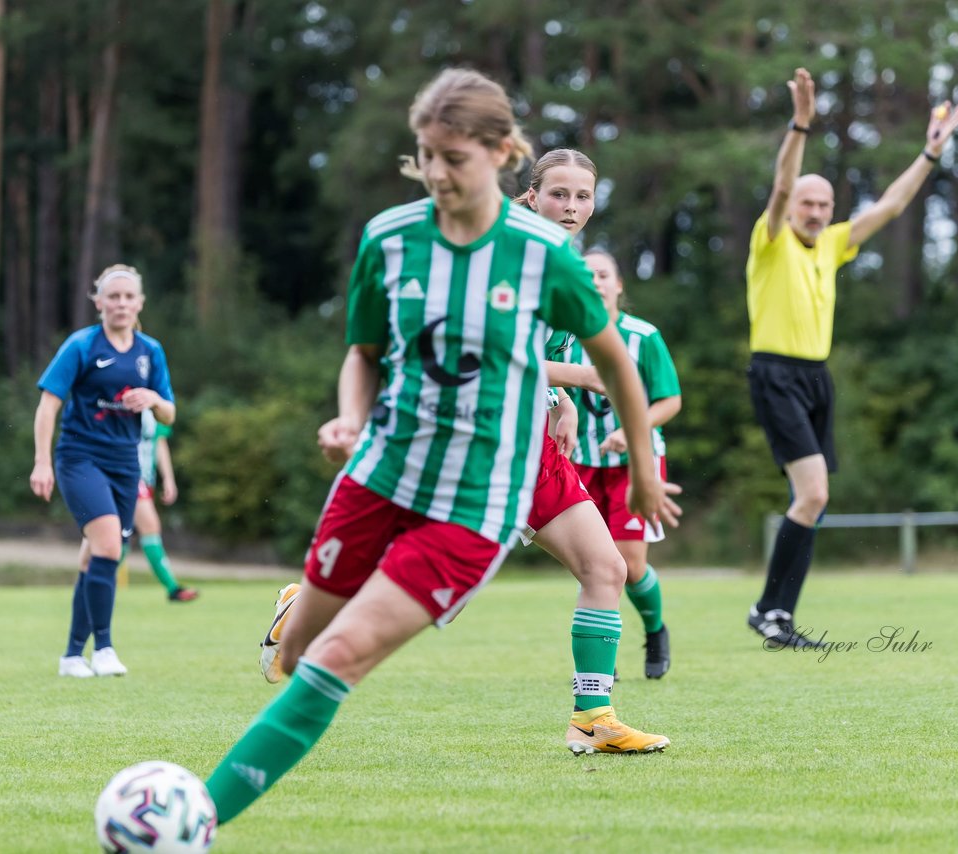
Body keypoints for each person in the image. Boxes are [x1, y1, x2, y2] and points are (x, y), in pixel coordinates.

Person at [202, 68, 678, 828]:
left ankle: (593, 715)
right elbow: (362, 350)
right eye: (426, 156)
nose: (437, 173)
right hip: (387, 466)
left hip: (489, 480)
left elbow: (611, 363)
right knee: (300, 655)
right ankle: (298, 612)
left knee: (602, 568)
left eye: (453, 158)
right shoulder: (390, 238)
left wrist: (639, 467)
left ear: (498, 152)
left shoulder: (545, 257)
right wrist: (350, 416)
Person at [744, 67, 958, 648]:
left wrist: (930, 153)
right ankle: (768, 609)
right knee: (814, 493)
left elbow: (891, 205)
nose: (815, 211)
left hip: (817, 378)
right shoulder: (770, 242)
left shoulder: (835, 244)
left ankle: (778, 617)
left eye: (824, 203)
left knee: (812, 499)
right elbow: (779, 183)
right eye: (807, 202)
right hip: (775, 372)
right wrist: (801, 124)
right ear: (791, 205)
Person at [31, 264, 176, 677]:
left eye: (129, 297)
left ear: (140, 303)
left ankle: (72, 655)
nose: (121, 303)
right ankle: (105, 649)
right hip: (79, 458)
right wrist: (43, 462)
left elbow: (170, 410)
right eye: (113, 296)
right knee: (110, 547)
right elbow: (48, 405)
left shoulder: (151, 352)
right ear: (99, 303)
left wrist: (152, 399)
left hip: (125, 463)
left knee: (94, 556)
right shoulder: (81, 346)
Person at [551, 249, 682, 672]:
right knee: (594, 565)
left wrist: (633, 429)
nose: (596, 281)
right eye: (586, 274)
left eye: (604, 274)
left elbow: (671, 400)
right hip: (581, 461)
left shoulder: (643, 336)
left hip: (634, 463)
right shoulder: (564, 337)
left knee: (630, 562)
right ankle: (603, 651)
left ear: (619, 284)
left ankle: (655, 629)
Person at [80, 410, 197, 602]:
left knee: (120, 537)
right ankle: (172, 588)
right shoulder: (123, 402)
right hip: (126, 476)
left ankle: (96, 585)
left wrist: (168, 478)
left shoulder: (155, 403)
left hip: (144, 480)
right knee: (147, 527)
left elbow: (159, 442)